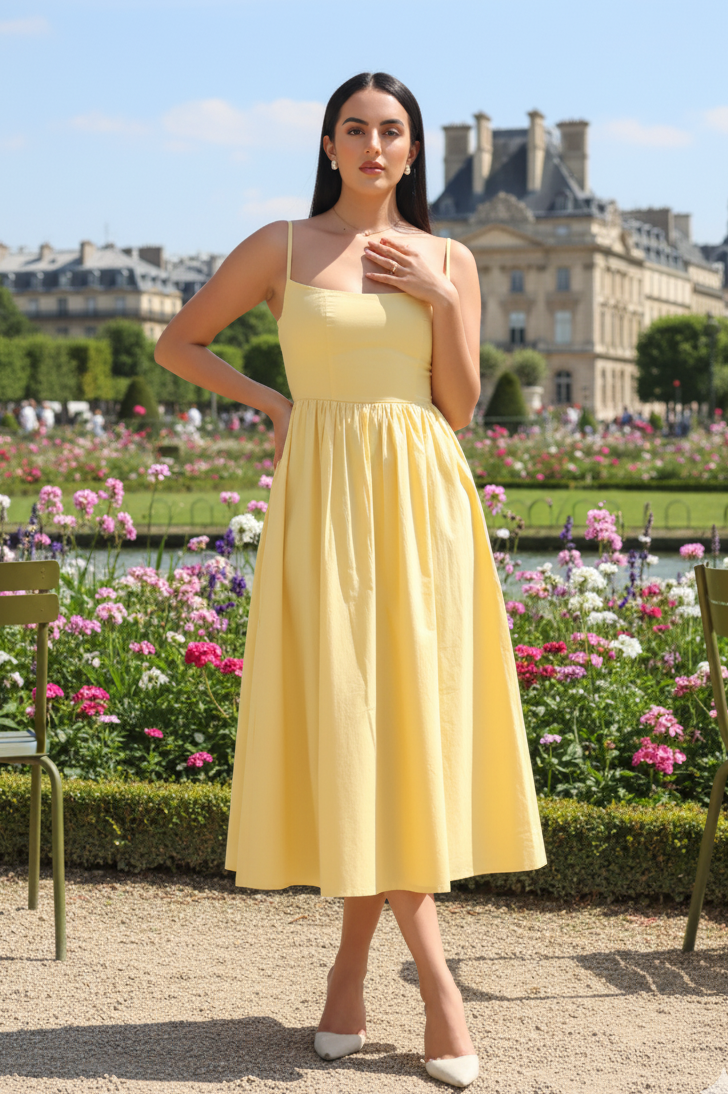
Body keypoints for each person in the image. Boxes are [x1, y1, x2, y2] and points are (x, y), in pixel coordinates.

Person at [154, 71, 546, 1089]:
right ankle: (438, 983)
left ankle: (346, 972)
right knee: (350, 726)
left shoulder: (450, 256)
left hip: (424, 510)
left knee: (401, 737)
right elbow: (177, 342)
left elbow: (457, 407)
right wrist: (276, 406)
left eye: (392, 131)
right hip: (324, 505)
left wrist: (441, 298)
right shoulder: (281, 246)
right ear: (328, 145)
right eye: (355, 130)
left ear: (413, 152)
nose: (374, 145)